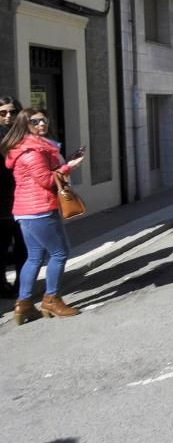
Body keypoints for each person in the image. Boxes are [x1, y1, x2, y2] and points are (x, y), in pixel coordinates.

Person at [0, 108, 85, 324]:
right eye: (35, 121)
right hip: (39, 210)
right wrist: (70, 166)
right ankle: (51, 300)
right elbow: (47, 181)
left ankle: (24, 304)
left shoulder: (28, 148)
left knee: (34, 257)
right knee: (60, 253)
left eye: (44, 119)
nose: (41, 124)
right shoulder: (31, 152)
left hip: (27, 211)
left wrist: (65, 163)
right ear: (25, 124)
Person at [0, 96, 27, 299]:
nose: (8, 116)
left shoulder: (25, 136)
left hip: (24, 201)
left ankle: (21, 285)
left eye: (13, 112)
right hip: (2, 202)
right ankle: (2, 285)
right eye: (3, 113)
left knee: (23, 247)